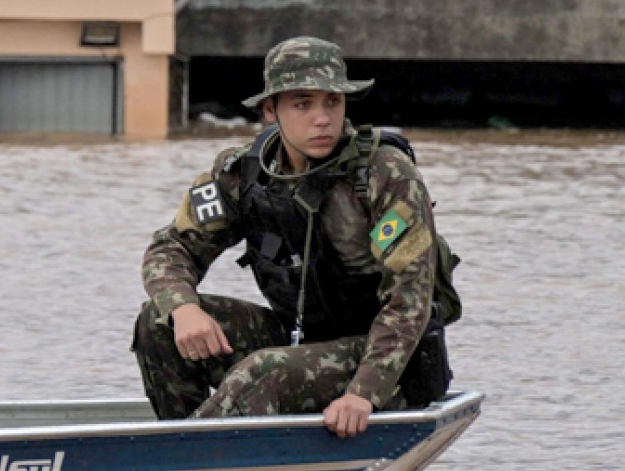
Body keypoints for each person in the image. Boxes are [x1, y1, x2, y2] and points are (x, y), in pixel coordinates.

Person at [131, 37, 456, 438]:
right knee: (157, 321)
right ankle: (190, 450)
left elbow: (409, 299)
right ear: (271, 111)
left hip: (384, 362)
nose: (322, 119)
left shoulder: (384, 173)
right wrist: (183, 309)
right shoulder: (241, 174)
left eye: (332, 103)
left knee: (265, 371)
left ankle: (183, 462)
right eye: (303, 104)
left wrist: (363, 394)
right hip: (297, 341)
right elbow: (172, 248)